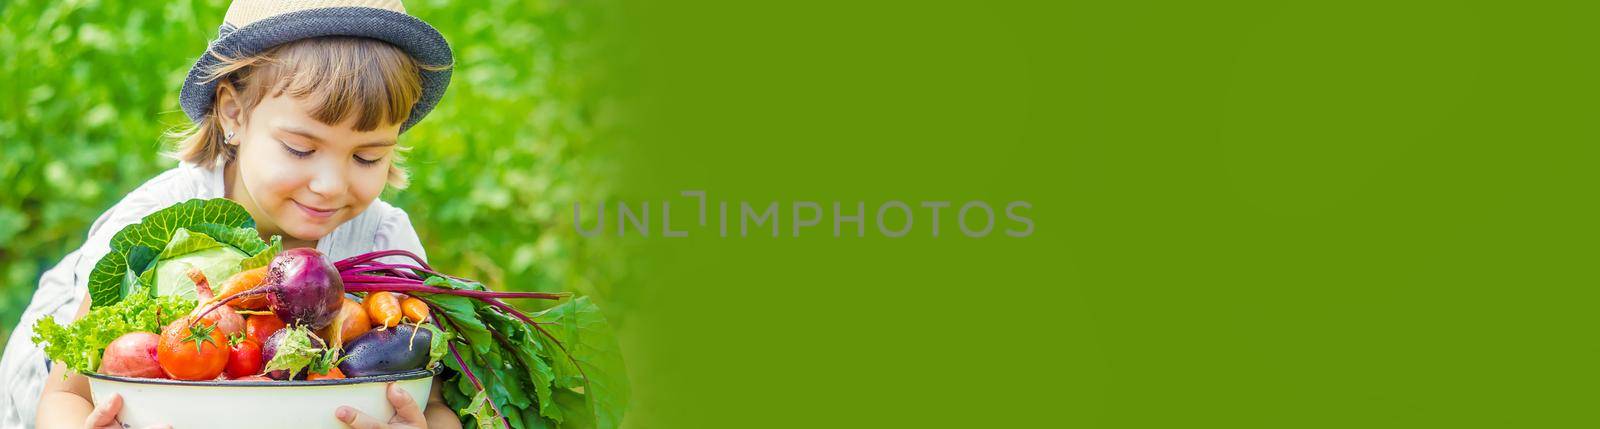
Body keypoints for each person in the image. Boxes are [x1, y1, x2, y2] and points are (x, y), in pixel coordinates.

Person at [0, 1, 461, 427]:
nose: (331, 185)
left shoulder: (384, 242)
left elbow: (436, 402)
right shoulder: (159, 220)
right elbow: (64, 398)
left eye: (367, 158)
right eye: (301, 149)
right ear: (233, 113)